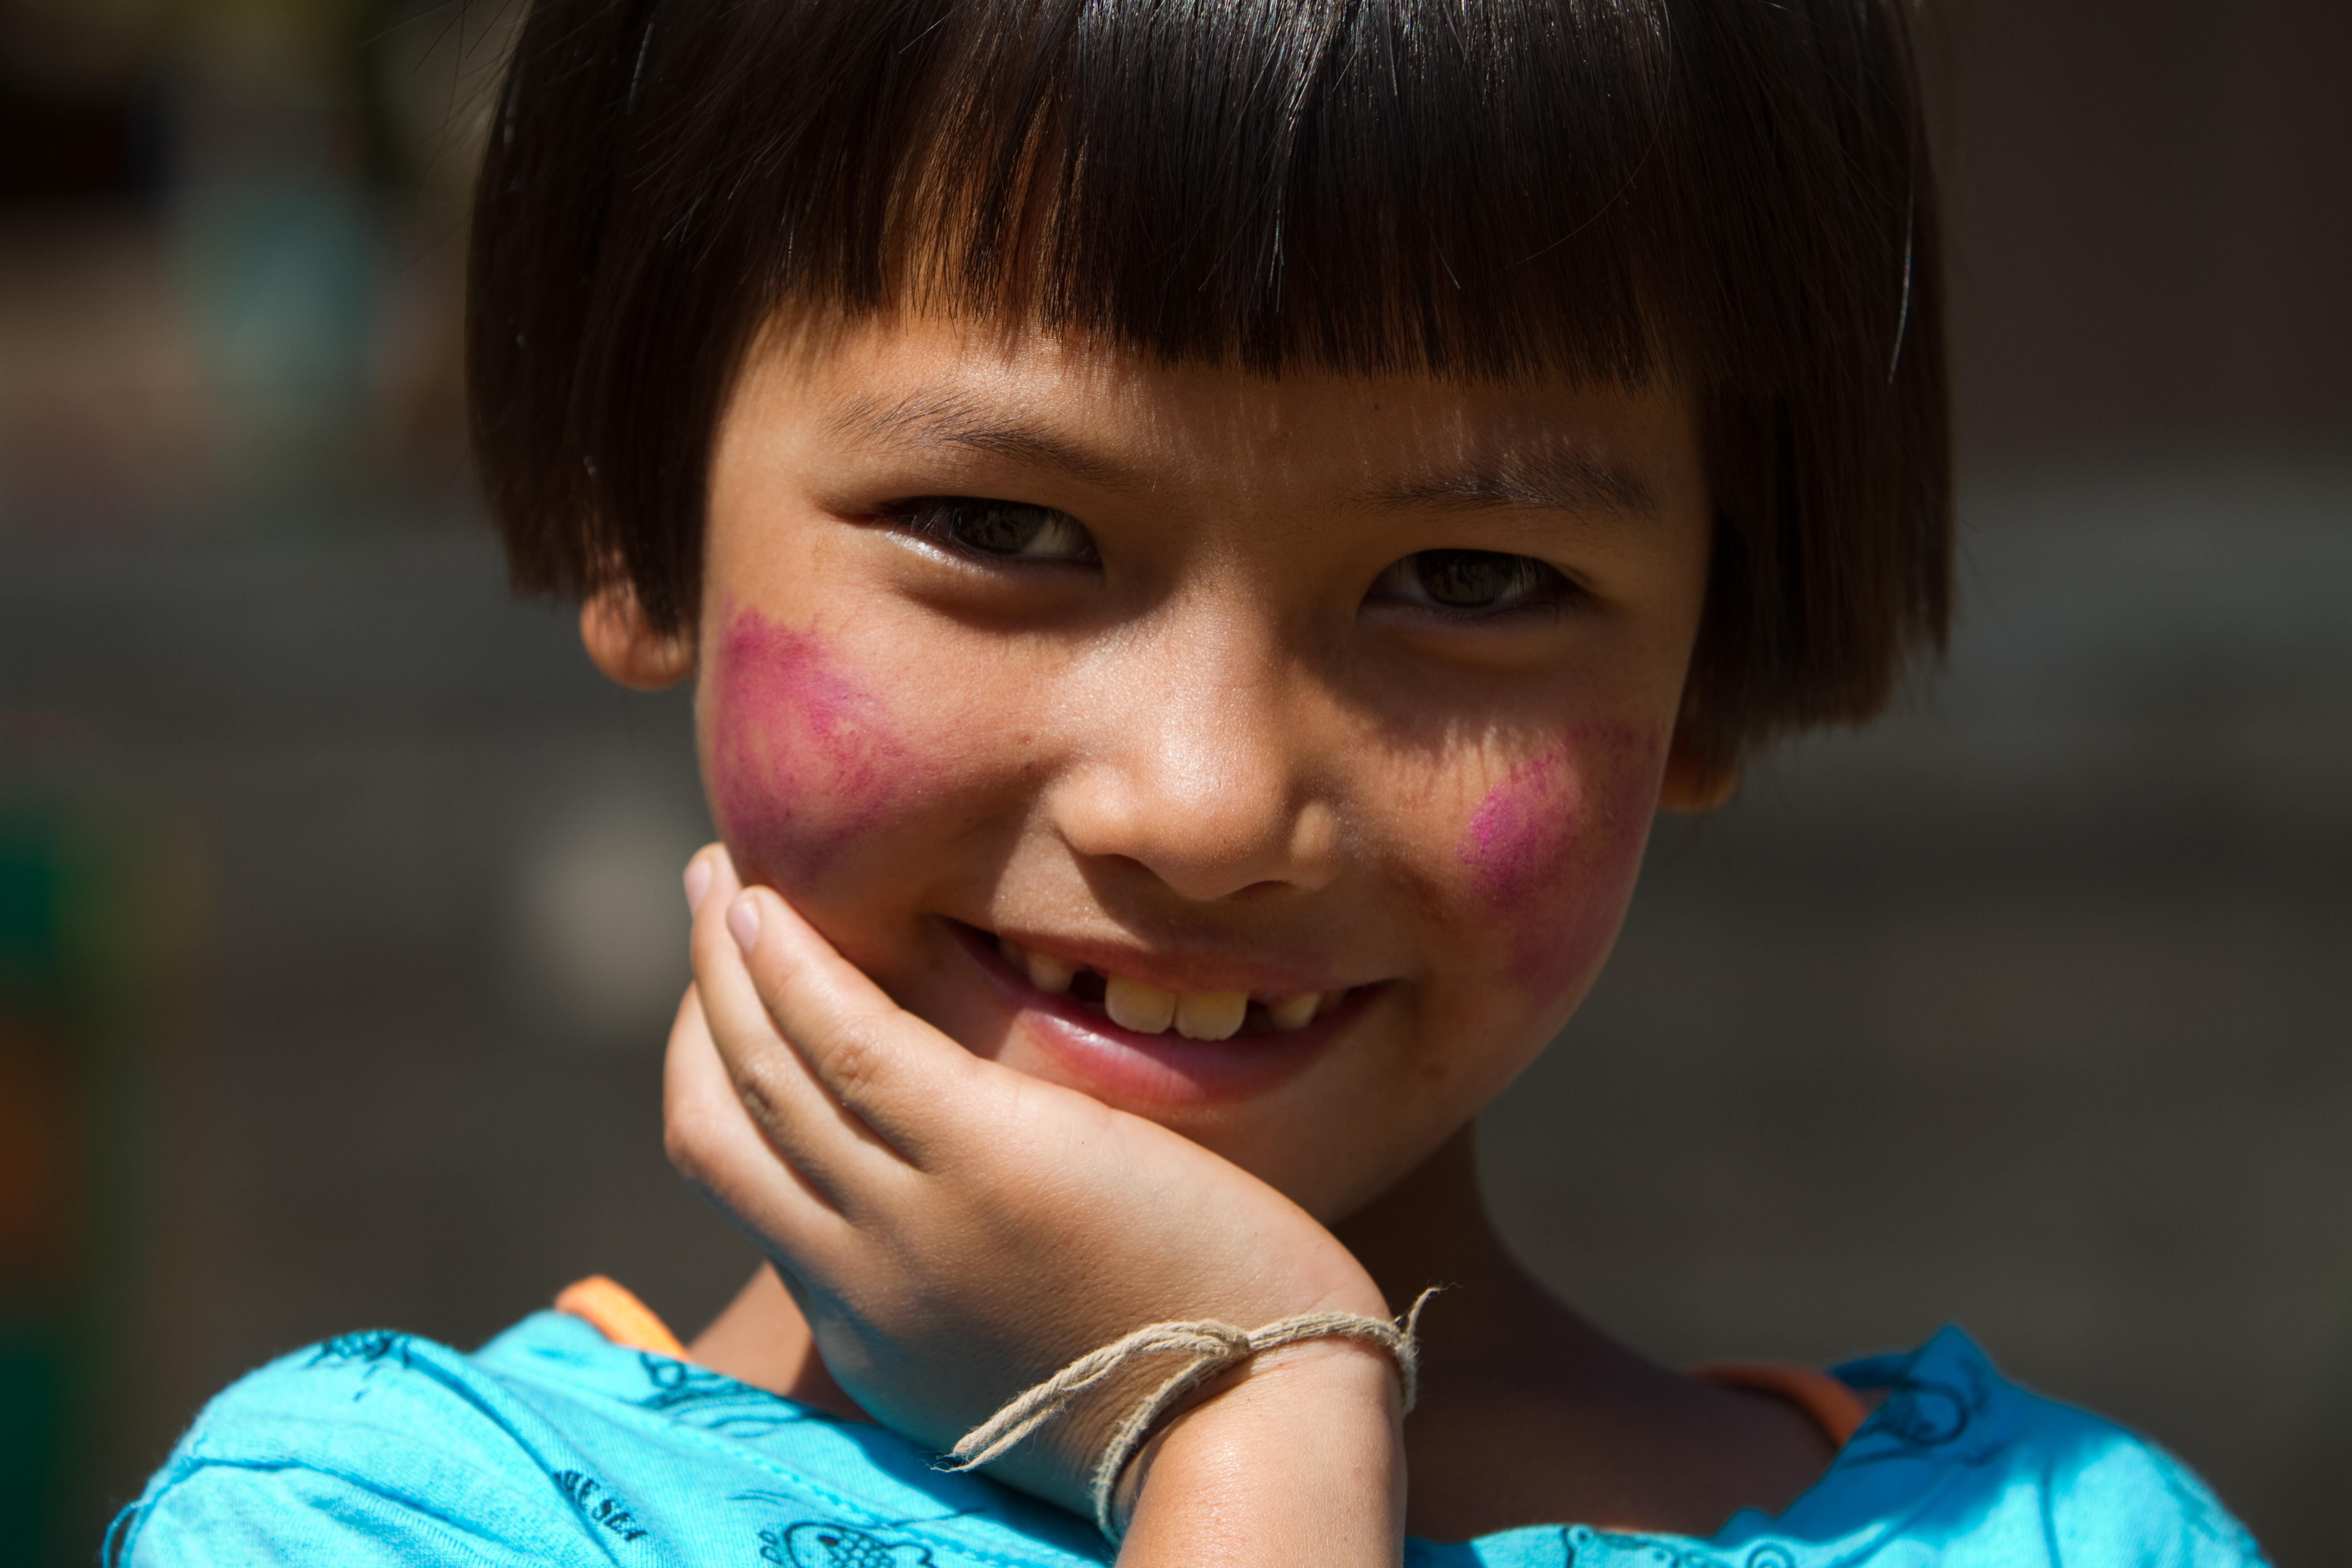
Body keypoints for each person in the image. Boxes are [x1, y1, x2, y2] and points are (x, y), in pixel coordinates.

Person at [110, 0, 2266, 1563]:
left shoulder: (2070, 1545)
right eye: (1002, 528)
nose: (1211, 799)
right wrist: (1248, 1435)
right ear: (636, 505)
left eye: (1472, 578)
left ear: (1721, 640)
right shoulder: (378, 1527)